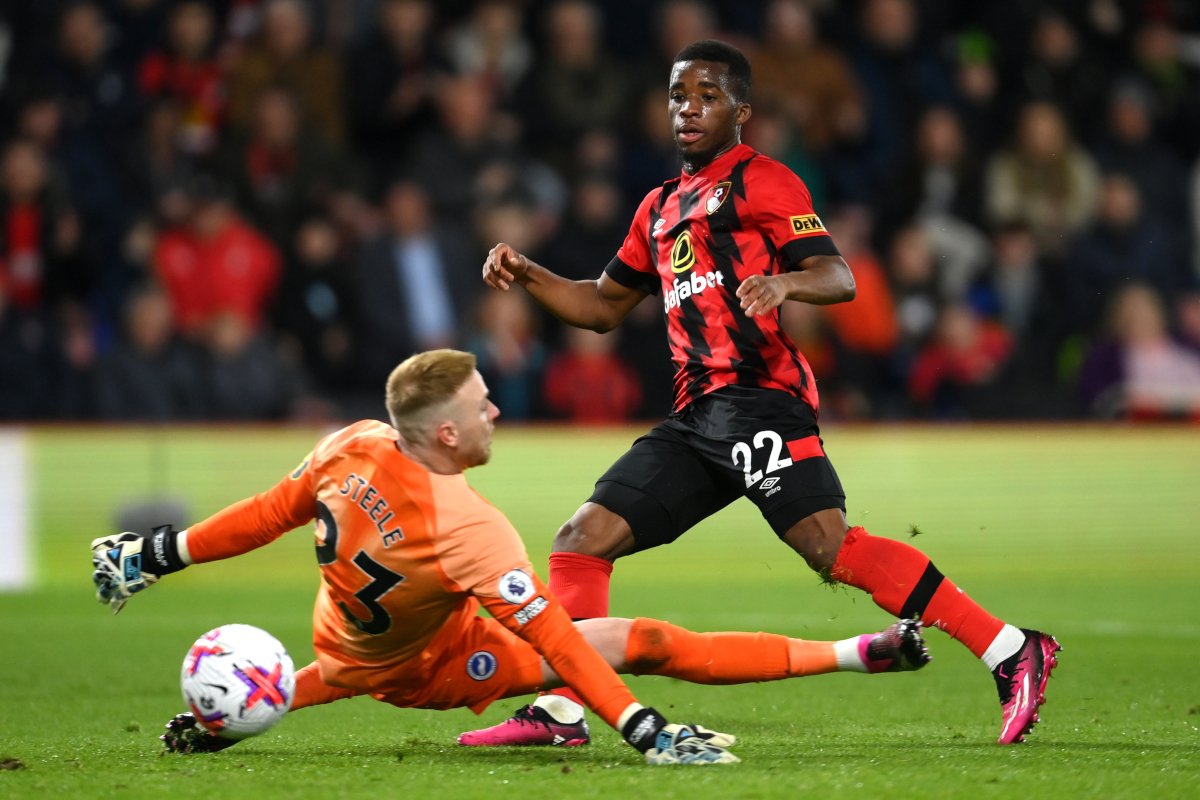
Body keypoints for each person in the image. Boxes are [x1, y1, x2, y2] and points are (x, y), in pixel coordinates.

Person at [473, 40, 1059, 747]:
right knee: (580, 540)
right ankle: (564, 709)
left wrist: (784, 282)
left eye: (707, 96)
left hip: (759, 399)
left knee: (827, 546)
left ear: (741, 111)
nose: (688, 108)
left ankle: (1008, 647)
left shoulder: (764, 182)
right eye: (677, 95)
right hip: (695, 417)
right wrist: (527, 270)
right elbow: (601, 307)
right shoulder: (658, 207)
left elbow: (837, 274)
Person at [89, 349, 931, 762]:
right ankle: (856, 654)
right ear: (447, 434)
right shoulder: (468, 527)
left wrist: (159, 554)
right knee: (641, 643)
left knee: (350, 666)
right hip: (439, 664)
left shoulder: (352, 445)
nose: (496, 410)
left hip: (347, 646)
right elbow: (561, 644)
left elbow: (267, 515)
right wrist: (643, 729)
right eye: (482, 405)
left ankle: (865, 652)